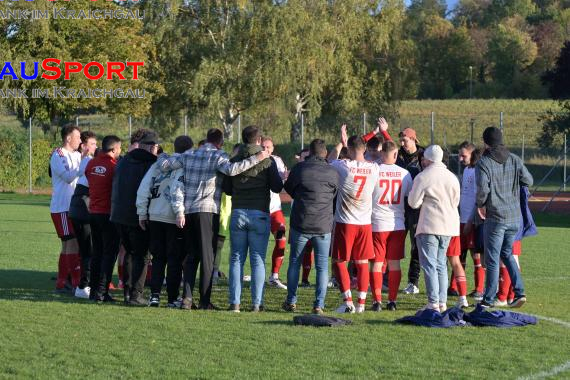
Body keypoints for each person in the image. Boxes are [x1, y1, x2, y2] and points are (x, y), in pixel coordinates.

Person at [164, 128, 270, 310]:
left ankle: (187, 298)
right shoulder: (218, 156)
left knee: (191, 256)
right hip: (208, 210)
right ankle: (205, 300)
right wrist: (257, 159)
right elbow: (233, 170)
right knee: (207, 257)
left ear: (206, 139)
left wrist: (161, 155)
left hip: (188, 211)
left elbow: (166, 165)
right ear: (220, 142)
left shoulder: (189, 155)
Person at [223, 126, 283, 312]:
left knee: (236, 258)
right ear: (259, 141)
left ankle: (235, 303)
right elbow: (277, 187)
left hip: (239, 211)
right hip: (260, 213)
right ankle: (257, 304)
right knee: (257, 259)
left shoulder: (234, 160)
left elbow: (227, 188)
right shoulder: (268, 161)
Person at [476, 126, 533, 308]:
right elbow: (529, 181)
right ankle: (519, 291)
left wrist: (480, 205)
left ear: (486, 142)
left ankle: (489, 298)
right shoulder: (515, 159)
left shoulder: (484, 163)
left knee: (492, 259)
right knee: (507, 254)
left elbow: (483, 190)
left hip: (495, 216)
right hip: (514, 217)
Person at [282, 139, 339, 314]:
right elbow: (335, 193)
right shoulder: (332, 171)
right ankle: (318, 304)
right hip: (323, 225)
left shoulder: (299, 169)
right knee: (322, 266)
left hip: (301, 222)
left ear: (310, 153)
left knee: (294, 263)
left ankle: (291, 301)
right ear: (325, 153)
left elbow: (289, 189)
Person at [137, 136, 193, 308]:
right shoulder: (184, 166)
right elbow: (178, 189)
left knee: (158, 258)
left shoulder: (158, 164)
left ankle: (154, 296)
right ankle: (171, 298)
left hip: (154, 215)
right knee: (174, 259)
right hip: (172, 218)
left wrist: (142, 213)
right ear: (189, 150)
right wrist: (180, 213)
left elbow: (144, 188)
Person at [327, 125, 379, 313]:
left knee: (339, 261)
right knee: (362, 262)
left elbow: (329, 160)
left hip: (345, 221)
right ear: (365, 149)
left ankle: (347, 301)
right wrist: (374, 133)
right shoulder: (374, 168)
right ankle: (362, 304)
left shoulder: (344, 166)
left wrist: (341, 144)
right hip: (365, 223)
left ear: (348, 149)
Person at [408, 145, 460, 312]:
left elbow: (413, 202)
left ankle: (433, 302)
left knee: (430, 264)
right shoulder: (452, 177)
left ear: (428, 159)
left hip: (430, 224)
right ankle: (442, 302)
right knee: (441, 264)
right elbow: (456, 201)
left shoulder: (424, 176)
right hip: (449, 225)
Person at [111, 130, 159, 306]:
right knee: (142, 256)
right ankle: (136, 295)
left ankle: (127, 291)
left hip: (118, 215)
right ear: (153, 147)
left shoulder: (123, 161)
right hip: (138, 216)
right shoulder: (152, 164)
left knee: (129, 253)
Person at [370, 141, 413, 311]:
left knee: (377, 264)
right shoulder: (404, 173)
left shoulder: (375, 170)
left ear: (382, 153)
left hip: (377, 223)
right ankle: (392, 301)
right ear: (395, 154)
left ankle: (377, 301)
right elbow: (411, 197)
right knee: (394, 264)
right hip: (397, 224)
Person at [86, 135, 122, 302]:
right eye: (120, 149)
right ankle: (102, 291)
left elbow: (89, 179)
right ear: (114, 149)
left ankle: (93, 291)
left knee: (97, 253)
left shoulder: (92, 163)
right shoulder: (114, 166)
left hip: (93, 213)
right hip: (108, 214)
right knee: (109, 254)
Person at [49, 125, 83, 294]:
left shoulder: (77, 155)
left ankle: (63, 282)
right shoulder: (58, 154)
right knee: (71, 242)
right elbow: (69, 177)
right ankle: (73, 282)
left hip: (74, 207)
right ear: (68, 138)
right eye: (78, 137)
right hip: (62, 207)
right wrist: (84, 161)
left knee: (70, 244)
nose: (80, 140)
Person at [452, 142, 485, 300]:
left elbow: (478, 198)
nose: (460, 158)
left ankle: (479, 288)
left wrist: (471, 220)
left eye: (463, 155)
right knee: (459, 253)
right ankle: (454, 287)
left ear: (472, 154)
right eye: (459, 155)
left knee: (475, 254)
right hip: (461, 219)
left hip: (472, 220)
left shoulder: (478, 171)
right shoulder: (466, 170)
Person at [69, 131, 97, 299]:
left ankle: (84, 284)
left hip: (78, 208)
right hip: (83, 208)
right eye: (93, 144)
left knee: (86, 249)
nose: (96, 146)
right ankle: (83, 286)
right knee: (89, 249)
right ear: (85, 146)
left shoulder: (86, 160)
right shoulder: (89, 162)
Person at [397, 127, 425, 296]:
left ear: (414, 139)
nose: (402, 144)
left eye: (405, 140)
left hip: (416, 208)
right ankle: (388, 279)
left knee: (416, 246)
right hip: (399, 207)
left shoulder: (423, 156)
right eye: (400, 140)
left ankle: (413, 281)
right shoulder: (397, 155)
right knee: (395, 243)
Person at [261, 136, 289, 290]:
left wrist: (284, 178)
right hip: (259, 208)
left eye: (269, 147)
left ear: (273, 148)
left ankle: (274, 276)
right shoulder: (255, 159)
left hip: (274, 209)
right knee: (257, 243)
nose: (266, 149)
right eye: (264, 146)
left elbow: (281, 181)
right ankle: (255, 273)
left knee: (281, 238)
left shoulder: (277, 160)